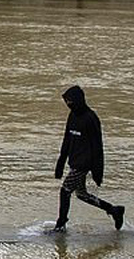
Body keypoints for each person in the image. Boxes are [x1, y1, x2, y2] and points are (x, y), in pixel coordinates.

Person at [53, 85, 125, 231]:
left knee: (65, 190)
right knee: (81, 194)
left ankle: (61, 225)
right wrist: (60, 163)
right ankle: (114, 210)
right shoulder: (72, 116)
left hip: (85, 163)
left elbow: (98, 147)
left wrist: (98, 171)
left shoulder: (91, 118)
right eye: (66, 102)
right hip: (74, 161)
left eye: (70, 101)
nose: (68, 105)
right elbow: (67, 139)